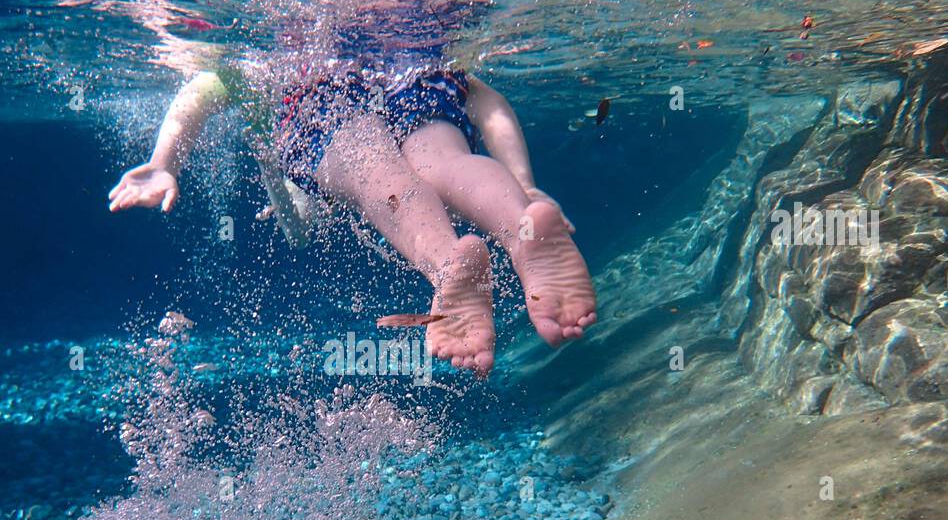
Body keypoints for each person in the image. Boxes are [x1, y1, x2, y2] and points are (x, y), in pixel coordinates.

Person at [108, 34, 596, 378]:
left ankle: (450, 265)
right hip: (416, 66)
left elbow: (198, 92)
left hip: (320, 92)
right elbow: (488, 104)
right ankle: (519, 227)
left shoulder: (274, 55)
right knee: (443, 160)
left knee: (375, 173)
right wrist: (527, 186)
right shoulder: (412, 36)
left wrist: (163, 162)